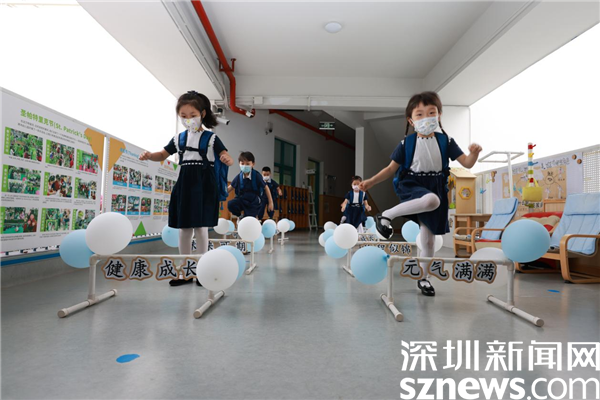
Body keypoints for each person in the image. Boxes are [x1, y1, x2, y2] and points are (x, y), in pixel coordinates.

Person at [360, 91, 482, 296]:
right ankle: (386, 215)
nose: (426, 118)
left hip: (436, 185)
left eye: (431, 112)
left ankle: (424, 278)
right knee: (431, 200)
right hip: (412, 183)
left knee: (428, 240)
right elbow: (390, 169)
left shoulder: (446, 141)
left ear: (439, 115)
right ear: (411, 120)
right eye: (419, 114)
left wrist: (474, 153)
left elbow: (467, 163)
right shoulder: (406, 143)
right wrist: (371, 182)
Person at [139, 91, 234, 287]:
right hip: (185, 182)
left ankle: (202, 271)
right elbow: (162, 154)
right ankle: (186, 271)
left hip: (204, 183)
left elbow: (227, 156)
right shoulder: (179, 139)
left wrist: (227, 159)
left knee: (200, 227)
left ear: (203, 114)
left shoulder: (211, 138)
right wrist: (149, 155)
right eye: (183, 116)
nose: (187, 119)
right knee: (184, 228)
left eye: (192, 115)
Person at [228, 152, 274, 219]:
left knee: (249, 218)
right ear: (239, 164)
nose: (245, 166)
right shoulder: (239, 177)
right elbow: (230, 188)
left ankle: (250, 218)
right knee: (231, 204)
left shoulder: (256, 176)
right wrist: (219, 194)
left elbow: (266, 188)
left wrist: (270, 202)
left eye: (247, 164)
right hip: (242, 199)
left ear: (253, 164)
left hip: (253, 202)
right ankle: (240, 216)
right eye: (242, 164)